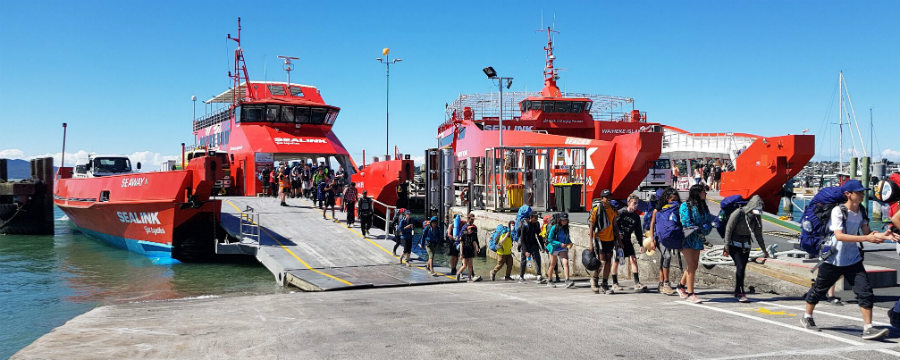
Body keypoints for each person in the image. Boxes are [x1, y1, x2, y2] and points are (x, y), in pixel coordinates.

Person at [802, 180, 898, 340]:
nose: (862, 194)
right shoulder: (838, 211)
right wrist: (866, 237)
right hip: (833, 259)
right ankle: (807, 316)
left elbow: (868, 232)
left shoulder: (861, 210)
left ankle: (868, 328)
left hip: (852, 259)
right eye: (859, 192)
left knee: (865, 292)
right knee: (819, 290)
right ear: (848, 194)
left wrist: (885, 235)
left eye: (862, 191)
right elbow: (839, 236)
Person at [723, 195, 769, 303]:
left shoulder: (756, 217)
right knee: (740, 267)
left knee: (742, 268)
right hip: (734, 245)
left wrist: (764, 250)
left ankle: (737, 290)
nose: (757, 211)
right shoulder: (738, 213)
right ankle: (741, 292)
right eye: (756, 208)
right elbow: (728, 230)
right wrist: (726, 247)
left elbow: (758, 234)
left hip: (746, 245)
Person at [677, 184, 713, 303]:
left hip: (697, 239)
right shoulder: (685, 206)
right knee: (692, 265)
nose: (705, 193)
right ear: (697, 193)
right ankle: (691, 293)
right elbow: (686, 222)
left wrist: (705, 228)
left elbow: (708, 221)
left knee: (694, 265)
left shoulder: (703, 206)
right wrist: (702, 228)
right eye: (703, 191)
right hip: (686, 239)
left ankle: (681, 286)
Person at [649, 187, 681, 295]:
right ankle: (666, 284)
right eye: (672, 200)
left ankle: (661, 284)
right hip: (659, 237)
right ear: (667, 199)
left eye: (676, 200)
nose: (674, 202)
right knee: (667, 256)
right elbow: (652, 224)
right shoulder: (658, 209)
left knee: (663, 258)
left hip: (670, 236)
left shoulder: (677, 208)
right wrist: (652, 240)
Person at [614, 194, 648, 292]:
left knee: (633, 259)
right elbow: (614, 224)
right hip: (618, 240)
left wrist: (641, 244)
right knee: (617, 261)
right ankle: (615, 283)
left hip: (628, 240)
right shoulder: (621, 212)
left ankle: (637, 283)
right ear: (629, 203)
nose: (636, 205)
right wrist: (618, 234)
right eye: (634, 203)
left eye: (637, 203)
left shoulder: (636, 217)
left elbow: (638, 231)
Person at [589, 189, 618, 294]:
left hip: (610, 239)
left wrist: (619, 240)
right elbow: (591, 226)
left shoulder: (613, 209)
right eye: (607, 197)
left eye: (610, 197)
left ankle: (604, 284)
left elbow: (615, 225)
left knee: (609, 262)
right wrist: (591, 243)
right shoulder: (597, 209)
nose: (609, 199)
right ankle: (594, 279)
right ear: (602, 198)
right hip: (599, 239)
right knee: (602, 261)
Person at [546, 212, 574, 288]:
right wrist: (559, 244)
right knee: (552, 264)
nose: (565, 221)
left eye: (566, 220)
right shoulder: (554, 227)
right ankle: (549, 280)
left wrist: (570, 243)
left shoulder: (566, 228)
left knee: (566, 263)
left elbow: (567, 238)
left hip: (563, 248)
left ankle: (567, 280)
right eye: (563, 220)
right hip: (554, 247)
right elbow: (550, 239)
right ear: (559, 220)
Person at [518, 212, 546, 284]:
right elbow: (522, 239)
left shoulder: (536, 224)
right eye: (535, 217)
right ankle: (521, 276)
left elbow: (539, 236)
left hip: (533, 243)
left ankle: (539, 275)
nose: (537, 219)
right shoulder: (525, 225)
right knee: (523, 260)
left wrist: (542, 246)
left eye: (537, 217)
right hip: (525, 244)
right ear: (531, 217)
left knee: (537, 258)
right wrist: (525, 251)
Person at [457, 217, 481, 282]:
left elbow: (474, 242)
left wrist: (477, 249)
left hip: (470, 251)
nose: (472, 230)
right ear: (467, 229)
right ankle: (459, 273)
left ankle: (469, 278)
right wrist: (461, 254)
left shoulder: (472, 235)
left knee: (470, 265)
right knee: (464, 265)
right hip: (464, 251)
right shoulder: (463, 235)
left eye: (472, 229)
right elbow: (461, 244)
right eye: (470, 229)